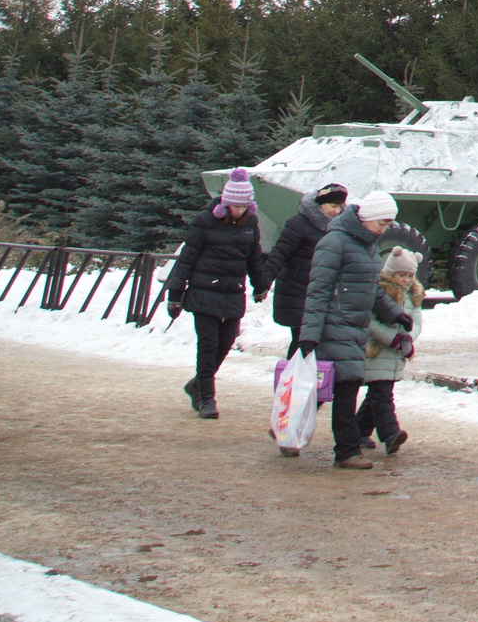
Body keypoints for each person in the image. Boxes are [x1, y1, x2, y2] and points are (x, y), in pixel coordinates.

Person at [297, 190, 414, 472]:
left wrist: (394, 313)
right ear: (367, 218)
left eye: (387, 225)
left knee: (330, 389)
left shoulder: (367, 245)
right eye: (381, 224)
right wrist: (309, 334)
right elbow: (318, 291)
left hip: (355, 328)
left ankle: (289, 429)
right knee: (347, 386)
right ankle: (346, 451)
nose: (383, 230)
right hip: (333, 325)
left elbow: (371, 289)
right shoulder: (334, 242)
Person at [163, 167, 271, 420]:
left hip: (233, 292)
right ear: (226, 203)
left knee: (225, 344)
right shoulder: (203, 221)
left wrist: (260, 285)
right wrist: (175, 294)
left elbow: (254, 257)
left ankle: (197, 385)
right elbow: (186, 259)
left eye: (245, 206)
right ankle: (207, 398)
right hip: (204, 291)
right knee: (208, 345)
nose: (240, 210)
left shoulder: (251, 224)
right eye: (236, 206)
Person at [354, 246, 425, 456]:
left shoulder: (414, 294)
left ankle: (358, 431)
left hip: (396, 353)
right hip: (377, 351)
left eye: (410, 275)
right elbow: (369, 322)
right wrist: (392, 338)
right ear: (391, 272)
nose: (406, 280)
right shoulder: (381, 291)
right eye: (401, 275)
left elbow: (418, 322)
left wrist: (408, 339)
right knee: (382, 394)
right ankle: (390, 433)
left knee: (377, 394)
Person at [263, 182, 347, 356]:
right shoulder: (299, 224)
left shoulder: (340, 228)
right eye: (333, 206)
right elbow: (280, 253)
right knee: (303, 340)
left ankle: (307, 380)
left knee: (317, 342)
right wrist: (263, 281)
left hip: (324, 293)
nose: (336, 211)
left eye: (340, 207)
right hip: (298, 291)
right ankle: (292, 379)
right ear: (320, 203)